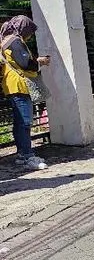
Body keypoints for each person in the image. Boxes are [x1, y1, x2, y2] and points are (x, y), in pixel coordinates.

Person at [1, 15, 51, 170]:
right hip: (19, 85)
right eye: (29, 31)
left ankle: (22, 156)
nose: (30, 35)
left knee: (20, 123)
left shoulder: (7, 40)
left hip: (12, 85)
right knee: (24, 123)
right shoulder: (15, 41)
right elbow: (25, 63)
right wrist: (40, 62)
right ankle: (28, 157)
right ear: (24, 29)